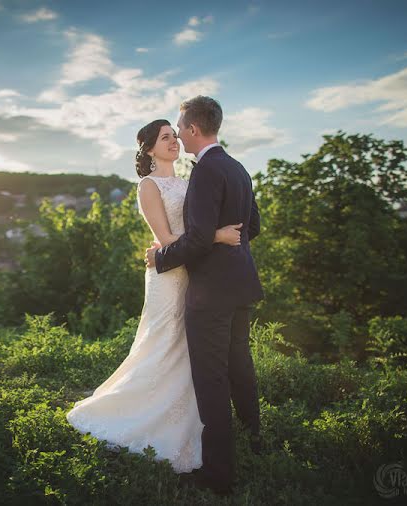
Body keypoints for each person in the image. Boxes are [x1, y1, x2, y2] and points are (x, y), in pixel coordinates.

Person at [65, 117, 243, 476]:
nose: (174, 141)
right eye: (166, 138)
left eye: (175, 136)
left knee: (188, 348)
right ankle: (136, 415)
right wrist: (219, 237)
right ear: (149, 149)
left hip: (195, 274)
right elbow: (165, 240)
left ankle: (188, 423)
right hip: (168, 275)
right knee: (163, 343)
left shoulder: (189, 181)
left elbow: (195, 229)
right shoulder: (148, 186)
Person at [145, 96, 264, 494]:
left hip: (211, 293)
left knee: (211, 380)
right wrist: (229, 242)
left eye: (179, 127)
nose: (178, 133)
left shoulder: (205, 172)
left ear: (194, 129)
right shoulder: (237, 167)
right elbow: (254, 226)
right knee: (240, 366)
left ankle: (219, 476)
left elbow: (196, 241)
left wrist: (161, 258)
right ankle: (255, 439)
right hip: (241, 284)